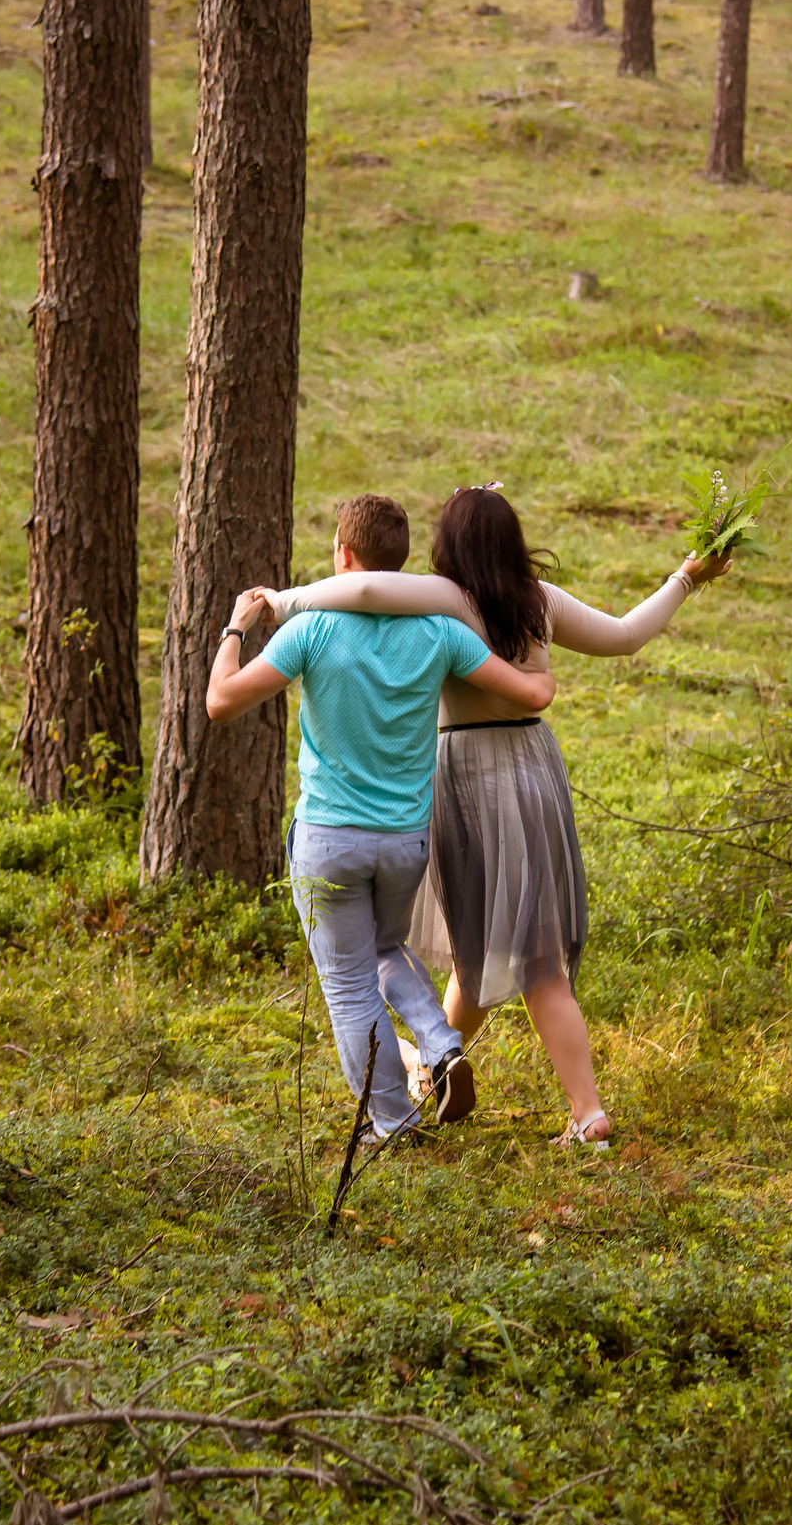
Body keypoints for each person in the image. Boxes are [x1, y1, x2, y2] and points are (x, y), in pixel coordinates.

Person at [264, 486, 729, 1150]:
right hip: (535, 767)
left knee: (510, 949)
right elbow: (626, 635)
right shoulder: (537, 600)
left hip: (466, 776)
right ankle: (476, 1075)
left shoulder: (450, 599)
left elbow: (364, 593)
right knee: (504, 949)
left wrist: (283, 601)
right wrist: (686, 575)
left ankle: (524, 1090)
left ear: (448, 547)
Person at [205, 494, 556, 1145]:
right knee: (385, 948)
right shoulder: (440, 634)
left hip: (330, 841)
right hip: (404, 842)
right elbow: (529, 689)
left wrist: (234, 628)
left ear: (343, 555)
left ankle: (392, 1123)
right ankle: (441, 1043)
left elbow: (220, 702)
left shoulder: (312, 631)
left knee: (348, 985)